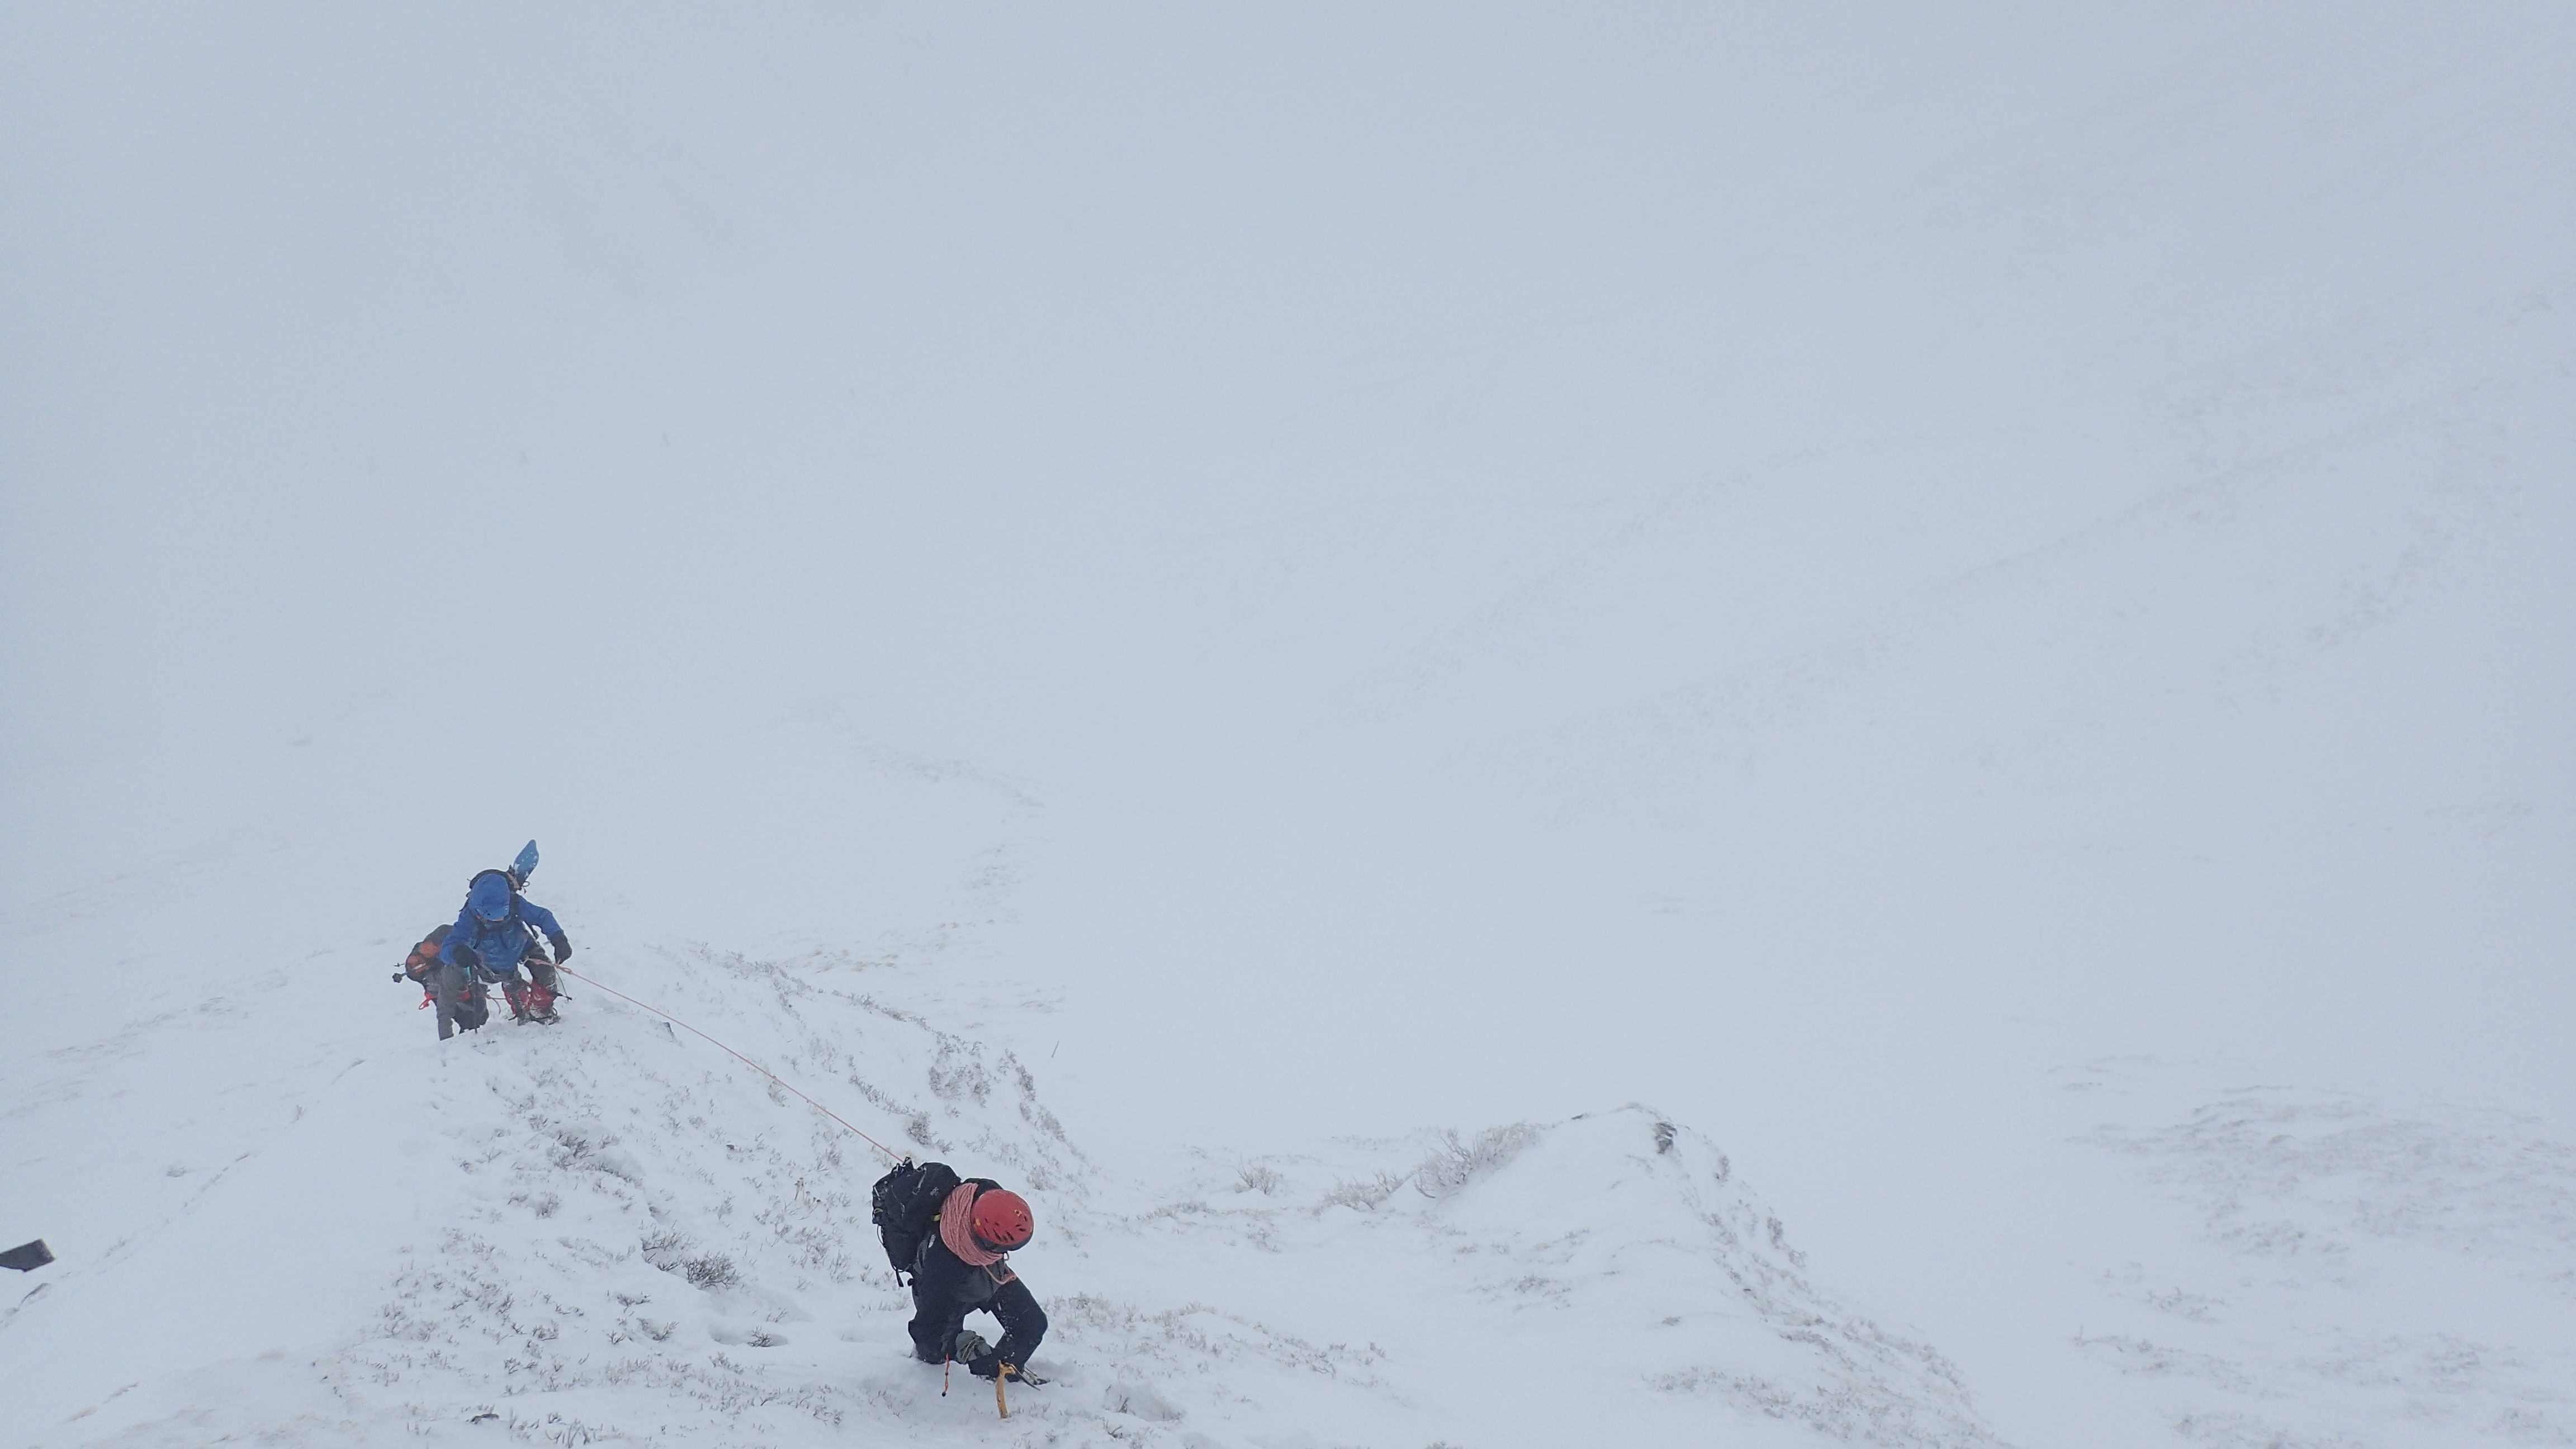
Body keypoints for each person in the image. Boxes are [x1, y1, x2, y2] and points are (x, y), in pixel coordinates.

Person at [870, 1160, 1046, 1382]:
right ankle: (962, 1373)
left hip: (985, 1273)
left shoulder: (985, 1192)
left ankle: (1002, 1372)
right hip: (949, 1286)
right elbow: (927, 1334)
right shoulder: (943, 1266)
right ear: (989, 1243)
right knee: (933, 1354)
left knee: (1031, 1325)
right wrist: (963, 1346)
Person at [439, 863, 572, 1027]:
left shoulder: (515, 902)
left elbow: (542, 916)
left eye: (502, 914)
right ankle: (524, 1016)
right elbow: (447, 948)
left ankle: (542, 1011)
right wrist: (457, 952)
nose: (499, 919)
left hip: (523, 944)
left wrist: (558, 938)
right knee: (516, 991)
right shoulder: (468, 918)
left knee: (546, 972)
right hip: (495, 960)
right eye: (492, 916)